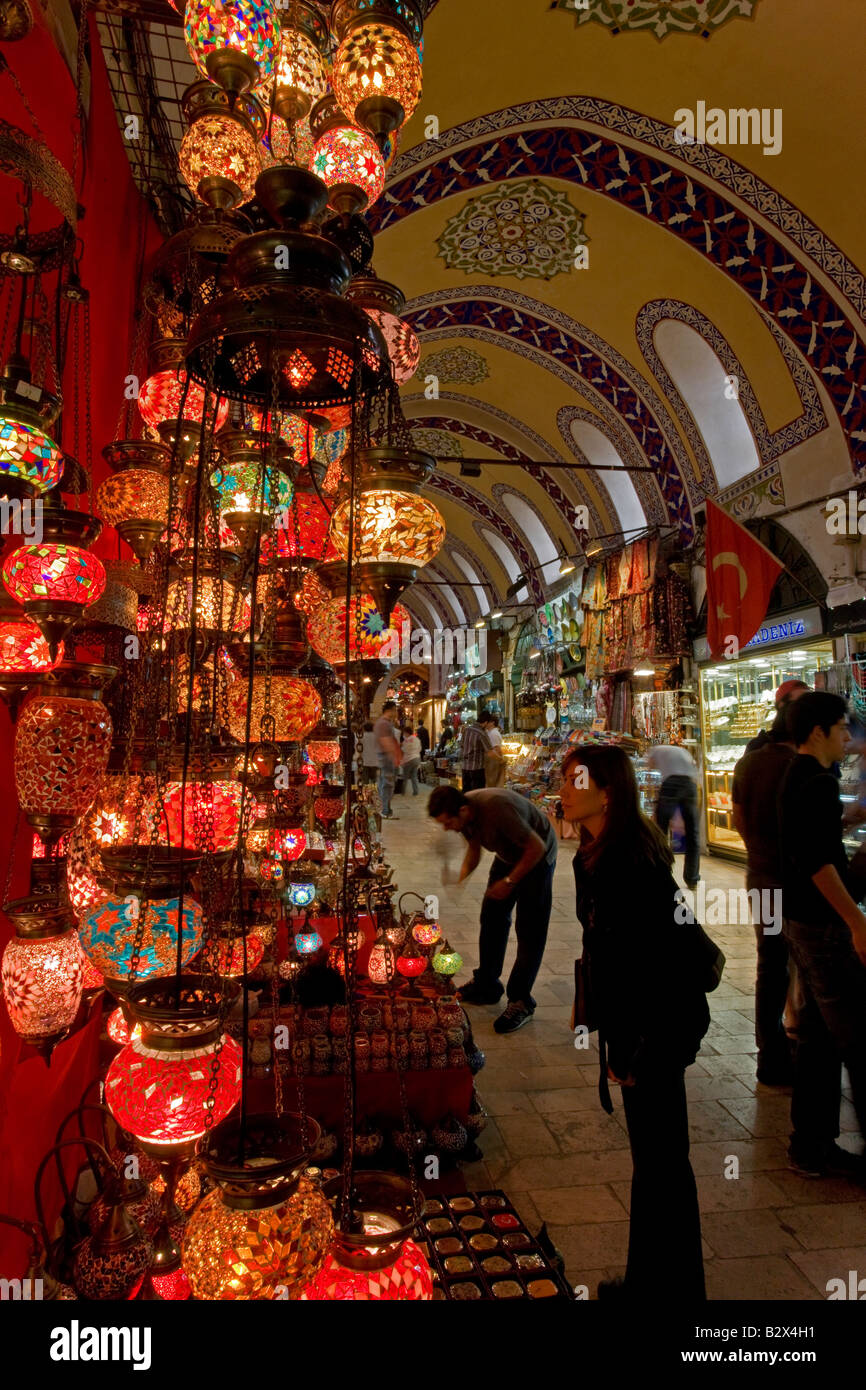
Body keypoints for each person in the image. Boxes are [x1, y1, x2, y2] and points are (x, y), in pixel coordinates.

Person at [559, 744, 709, 1301]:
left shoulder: (624, 862)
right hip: (647, 1028)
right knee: (656, 1161)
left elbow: (651, 964)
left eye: (575, 781)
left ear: (608, 791)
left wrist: (637, 1048)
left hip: (657, 1029)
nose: (564, 791)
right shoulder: (603, 851)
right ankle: (653, 1282)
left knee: (663, 1163)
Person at [779, 691, 866, 1179]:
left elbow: (807, 840)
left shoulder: (801, 776)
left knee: (816, 1039)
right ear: (818, 732)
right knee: (856, 1037)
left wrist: (848, 819)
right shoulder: (815, 782)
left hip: (800, 922)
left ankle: (809, 1146)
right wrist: (856, 921)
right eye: (841, 729)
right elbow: (816, 862)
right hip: (822, 927)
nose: (848, 738)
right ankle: (814, 1145)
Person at [428, 784, 557, 1034]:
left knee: (530, 929)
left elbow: (536, 847)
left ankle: (521, 1000)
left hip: (537, 856)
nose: (446, 828)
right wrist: (460, 879)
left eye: (447, 822)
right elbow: (475, 848)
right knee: (491, 916)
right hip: (508, 855)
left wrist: (510, 882)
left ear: (463, 811)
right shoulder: (466, 815)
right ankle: (487, 984)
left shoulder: (497, 809)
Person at [732, 708, 796, 1086]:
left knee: (770, 963)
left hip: (761, 875)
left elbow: (738, 816)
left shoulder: (749, 762)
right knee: (794, 964)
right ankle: (796, 1043)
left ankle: (768, 1051)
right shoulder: (797, 766)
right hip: (794, 880)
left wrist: (756, 852)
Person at [646, 742, 700, 889]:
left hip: (670, 784)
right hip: (689, 785)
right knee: (692, 834)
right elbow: (695, 771)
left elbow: (650, 774)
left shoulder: (654, 750)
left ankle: (660, 873)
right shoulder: (683, 751)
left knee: (660, 832)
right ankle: (692, 878)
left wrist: (653, 797)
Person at [745, 678, 809, 753]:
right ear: (782, 705)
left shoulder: (814, 740)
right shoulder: (759, 746)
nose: (806, 708)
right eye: (800, 703)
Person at [374, 700, 402, 820]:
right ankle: (385, 810)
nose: (396, 713)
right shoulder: (384, 724)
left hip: (385, 757)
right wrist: (394, 756)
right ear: (390, 710)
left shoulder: (385, 723)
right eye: (395, 710)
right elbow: (386, 742)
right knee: (387, 784)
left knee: (385, 784)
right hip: (386, 757)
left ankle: (386, 809)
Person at [459, 714, 491, 792]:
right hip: (477, 769)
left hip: (465, 767)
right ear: (486, 722)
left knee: (466, 792)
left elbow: (461, 744)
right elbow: (489, 751)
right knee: (477, 794)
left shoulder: (466, 730)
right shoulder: (481, 733)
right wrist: (501, 760)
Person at [482, 713, 506, 789]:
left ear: (492, 723)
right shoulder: (490, 732)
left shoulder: (493, 733)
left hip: (493, 763)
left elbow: (497, 749)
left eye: (487, 722)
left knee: (492, 784)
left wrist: (499, 760)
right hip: (491, 762)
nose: (485, 724)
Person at [400, 726, 422, 796]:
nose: (404, 734)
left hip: (409, 760)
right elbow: (420, 749)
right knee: (414, 776)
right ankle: (416, 792)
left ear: (406, 733)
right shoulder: (417, 739)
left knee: (405, 777)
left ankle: (403, 792)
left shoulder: (406, 740)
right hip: (416, 759)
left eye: (404, 733)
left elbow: (404, 750)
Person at [361, 721, 379, 786]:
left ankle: (365, 793)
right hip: (375, 761)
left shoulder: (362, 737)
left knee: (365, 781)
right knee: (374, 780)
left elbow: (358, 748)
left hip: (365, 760)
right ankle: (374, 793)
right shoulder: (377, 737)